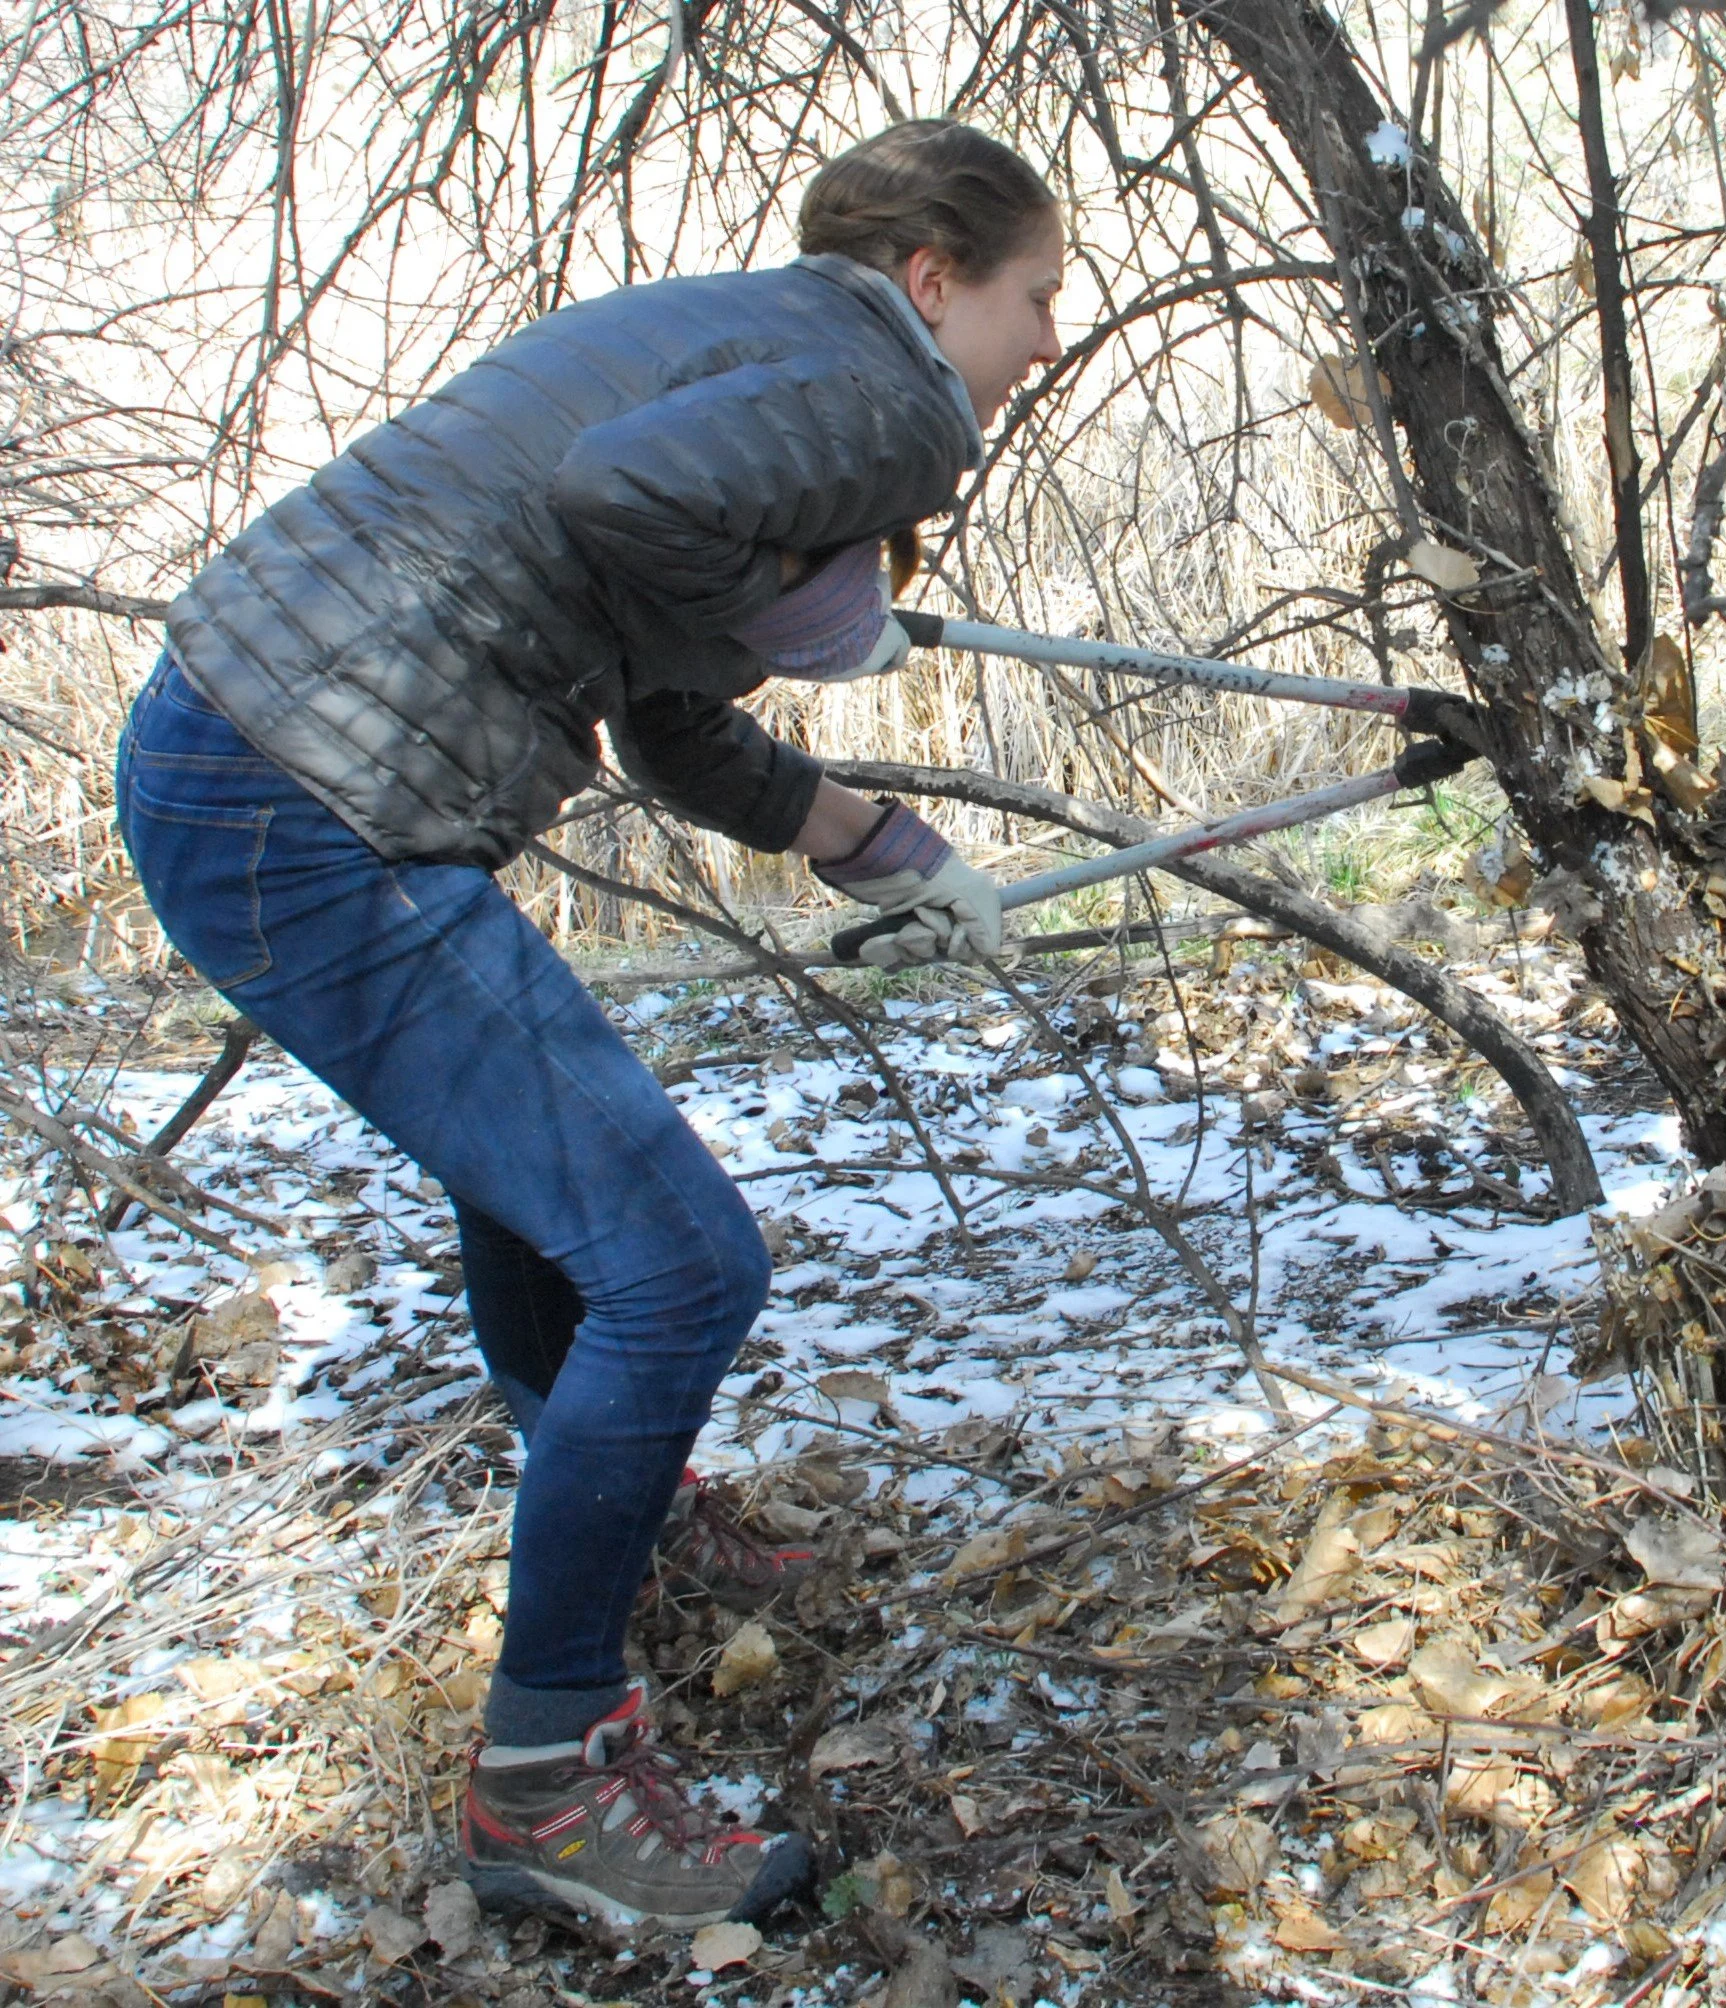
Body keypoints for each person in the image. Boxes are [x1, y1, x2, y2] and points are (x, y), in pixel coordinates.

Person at [116, 120, 1065, 1930]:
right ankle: (545, 1781)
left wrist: (868, 838)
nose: (1039, 348)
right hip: (313, 799)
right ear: (935, 279)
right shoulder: (895, 389)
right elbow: (624, 511)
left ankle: (613, 1512)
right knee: (682, 1269)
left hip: (236, 750)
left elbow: (662, 702)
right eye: (1033, 301)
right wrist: (816, 628)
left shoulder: (748, 336)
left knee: (552, 1206)